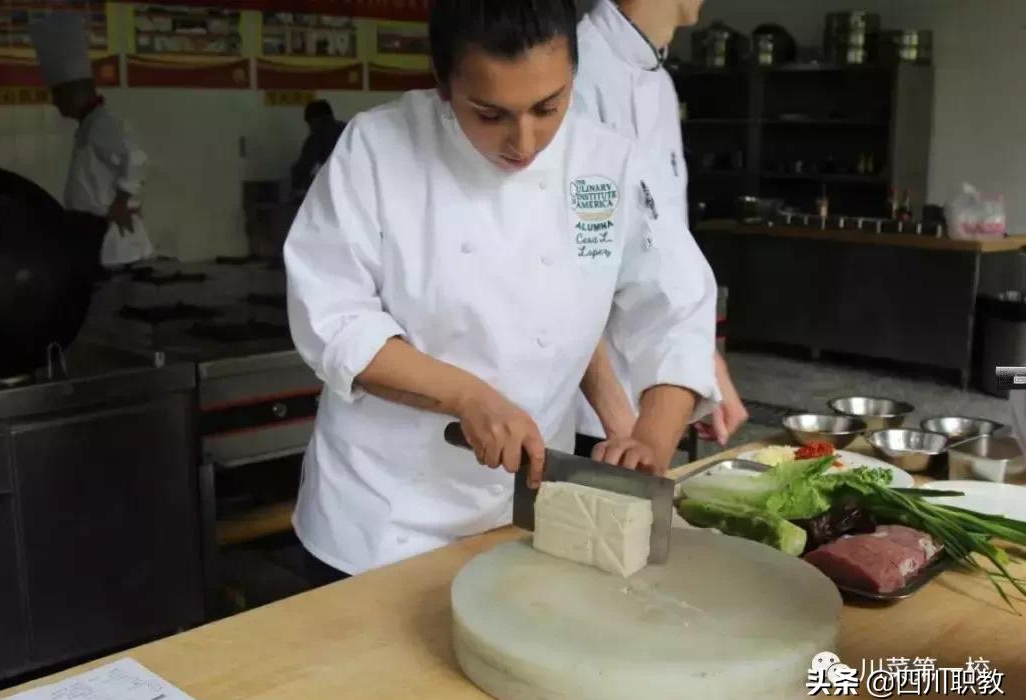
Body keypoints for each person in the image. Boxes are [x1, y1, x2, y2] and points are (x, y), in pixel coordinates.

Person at [283, 0, 720, 586]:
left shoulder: (607, 162)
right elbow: (332, 317)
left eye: (549, 106)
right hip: (379, 525)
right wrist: (467, 396)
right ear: (442, 82)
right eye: (490, 114)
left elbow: (676, 306)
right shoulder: (377, 150)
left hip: (532, 512)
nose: (525, 141)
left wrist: (651, 439)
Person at [571, 0, 749, 458]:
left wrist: (699, 365)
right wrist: (627, 428)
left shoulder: (659, 83)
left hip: (650, 392)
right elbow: (569, 269)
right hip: (589, 405)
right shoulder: (577, 71)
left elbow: (663, 250)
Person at [30, 12, 154, 268]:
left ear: (74, 91)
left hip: (112, 236)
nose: (54, 102)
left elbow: (137, 156)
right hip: (92, 232)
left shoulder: (104, 123)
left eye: (57, 94)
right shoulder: (89, 125)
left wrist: (121, 201)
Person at [290, 100, 347, 197]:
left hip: (336, 187)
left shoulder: (318, 135)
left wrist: (296, 187)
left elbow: (304, 166)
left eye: (309, 123)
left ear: (314, 120)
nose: (309, 127)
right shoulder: (347, 128)